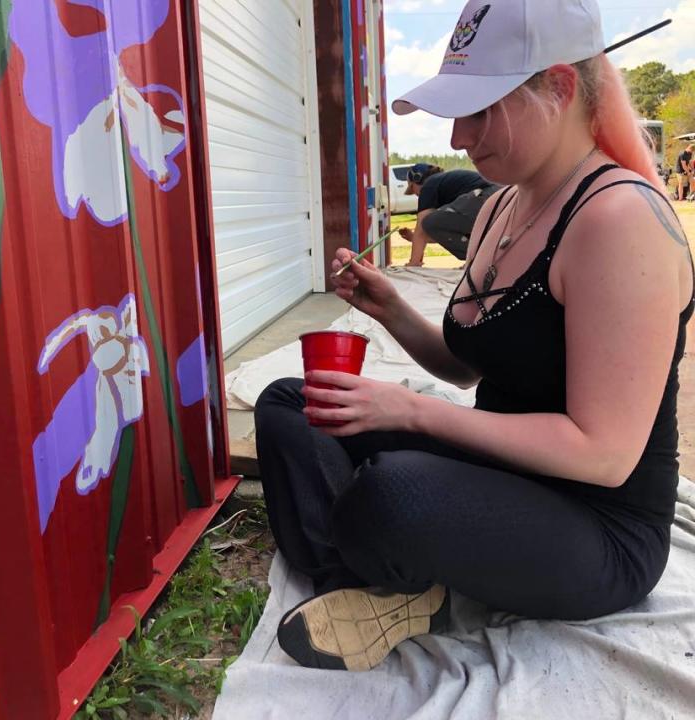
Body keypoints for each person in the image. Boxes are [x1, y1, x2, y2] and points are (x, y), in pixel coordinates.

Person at [255, 0, 690, 672]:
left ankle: (382, 565)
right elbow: (465, 371)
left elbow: (603, 454)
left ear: (560, 87)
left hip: (596, 526)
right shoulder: (501, 207)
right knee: (294, 400)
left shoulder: (617, 221)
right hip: (502, 473)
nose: (458, 138)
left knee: (388, 492)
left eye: (480, 109)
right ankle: (374, 588)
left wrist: (411, 411)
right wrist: (391, 308)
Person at [398, 164, 500, 265]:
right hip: (500, 196)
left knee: (429, 221)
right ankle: (486, 257)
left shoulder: (429, 185)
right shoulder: (447, 184)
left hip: (484, 196)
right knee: (437, 223)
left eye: (412, 189)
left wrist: (414, 263)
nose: (417, 195)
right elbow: (449, 233)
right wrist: (413, 238)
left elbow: (422, 229)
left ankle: (479, 259)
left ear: (417, 180)